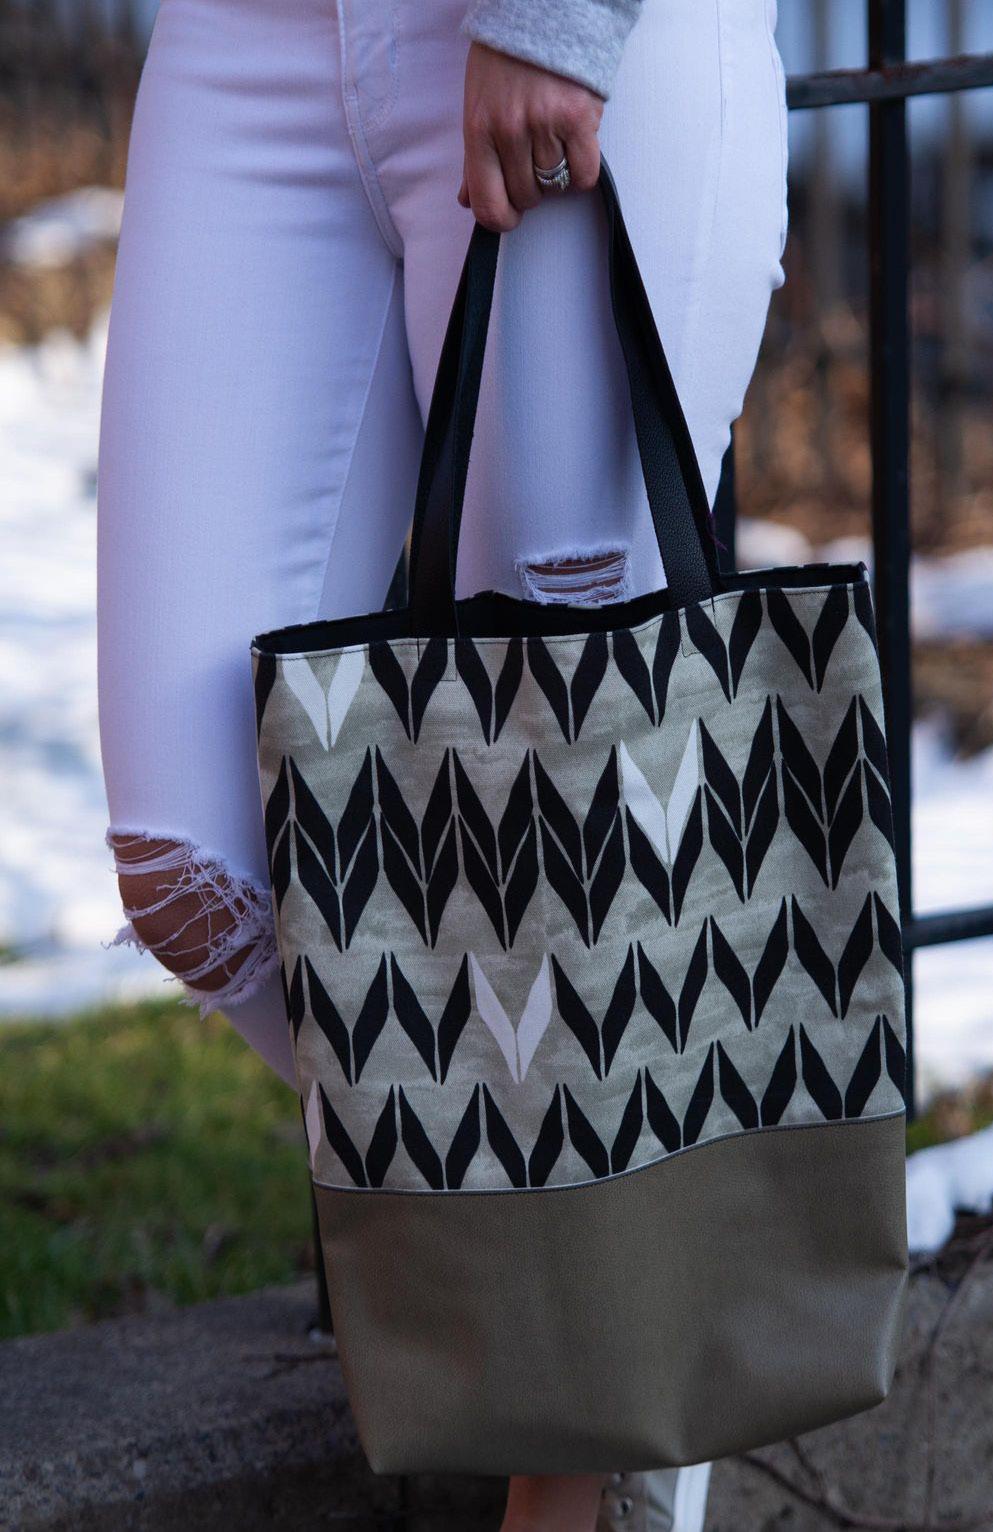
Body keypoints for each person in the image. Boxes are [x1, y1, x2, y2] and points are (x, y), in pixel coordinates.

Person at [96, 1, 789, 1527]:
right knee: (191, 861)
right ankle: (651, 1265)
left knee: (566, 825)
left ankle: (590, 1464)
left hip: (562, 48)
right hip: (246, 46)